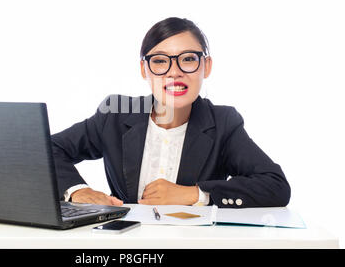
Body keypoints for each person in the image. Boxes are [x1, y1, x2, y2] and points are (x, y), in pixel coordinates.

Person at [51, 17, 291, 208]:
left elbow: (275, 185)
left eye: (188, 59)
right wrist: (77, 190)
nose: (174, 72)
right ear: (145, 69)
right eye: (159, 61)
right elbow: (49, 149)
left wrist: (194, 194)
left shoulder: (223, 124)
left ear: (206, 66)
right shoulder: (115, 114)